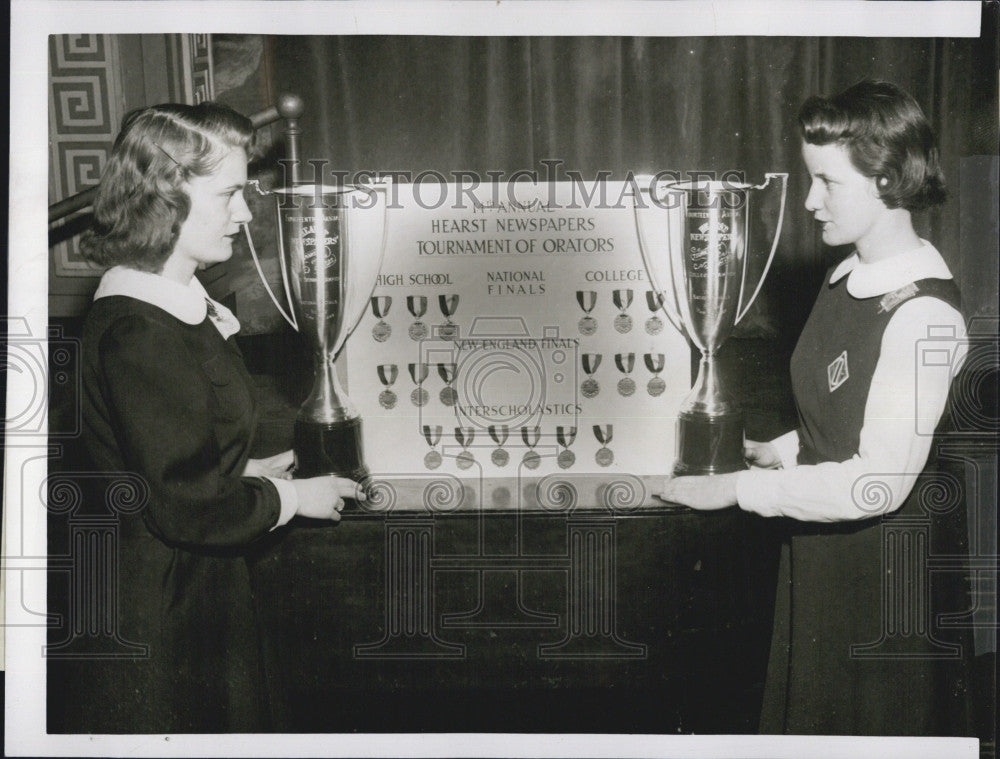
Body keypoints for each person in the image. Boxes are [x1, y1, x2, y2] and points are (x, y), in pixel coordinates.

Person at [660, 80, 971, 736]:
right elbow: (841, 415)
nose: (808, 201)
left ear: (887, 180)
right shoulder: (844, 277)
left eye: (827, 182)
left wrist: (738, 488)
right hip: (823, 561)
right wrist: (782, 451)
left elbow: (878, 482)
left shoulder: (924, 315)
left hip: (882, 592)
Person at [75, 102, 363, 732]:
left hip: (196, 591)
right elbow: (184, 506)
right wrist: (289, 499)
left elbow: (168, 463)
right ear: (167, 195)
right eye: (229, 193)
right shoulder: (138, 329)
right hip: (164, 614)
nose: (245, 212)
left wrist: (246, 469)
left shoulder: (175, 309)